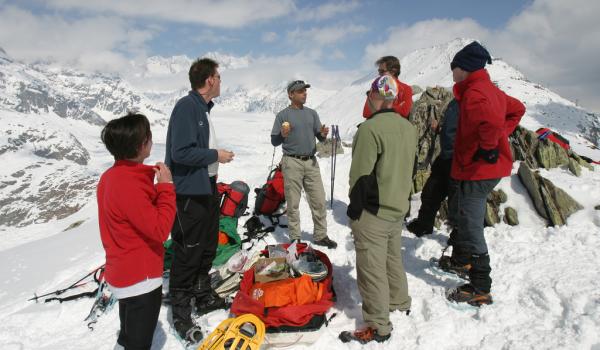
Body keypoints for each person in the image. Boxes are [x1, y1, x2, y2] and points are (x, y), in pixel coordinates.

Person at [441, 41, 525, 306]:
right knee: (465, 217)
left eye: (453, 68)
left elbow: (488, 121)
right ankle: (463, 260)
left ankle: (480, 286)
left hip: (477, 170)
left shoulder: (476, 93)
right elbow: (517, 109)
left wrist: (489, 147)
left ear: (463, 69)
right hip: (484, 169)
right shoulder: (488, 89)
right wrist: (502, 135)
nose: (452, 72)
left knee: (470, 223)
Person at [340, 75, 417, 344]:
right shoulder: (409, 128)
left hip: (373, 211)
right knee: (392, 258)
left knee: (371, 268)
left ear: (375, 96)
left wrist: (354, 212)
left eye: (369, 95)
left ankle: (377, 324)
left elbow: (361, 177)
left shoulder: (370, 130)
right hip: (398, 206)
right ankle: (398, 300)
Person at [165, 57, 234, 343]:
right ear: (209, 80)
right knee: (189, 249)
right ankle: (181, 310)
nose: (220, 81)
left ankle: (202, 294)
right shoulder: (186, 107)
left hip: (205, 187)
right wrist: (215, 155)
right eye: (218, 77)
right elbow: (181, 152)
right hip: (189, 192)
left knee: (206, 246)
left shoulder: (201, 109)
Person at [97, 112, 176, 350]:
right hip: (140, 277)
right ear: (141, 145)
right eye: (148, 137)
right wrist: (165, 188)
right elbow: (160, 229)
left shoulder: (111, 177)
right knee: (139, 343)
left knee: (129, 334)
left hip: (122, 272)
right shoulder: (129, 184)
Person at [270, 80, 337, 249]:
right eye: (300, 91)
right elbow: (274, 141)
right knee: (293, 202)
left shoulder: (312, 114)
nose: (304, 93)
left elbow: (319, 137)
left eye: (305, 91)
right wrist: (282, 135)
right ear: (291, 95)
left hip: (311, 161)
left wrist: (322, 134)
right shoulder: (282, 116)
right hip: (292, 161)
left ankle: (321, 235)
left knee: (319, 200)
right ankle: (295, 237)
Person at [407, 99, 459, 238]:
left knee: (457, 202)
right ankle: (424, 225)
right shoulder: (455, 101)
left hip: (460, 160)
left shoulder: (475, 99)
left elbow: (516, 109)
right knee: (430, 192)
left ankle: (460, 242)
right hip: (445, 157)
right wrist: (439, 129)